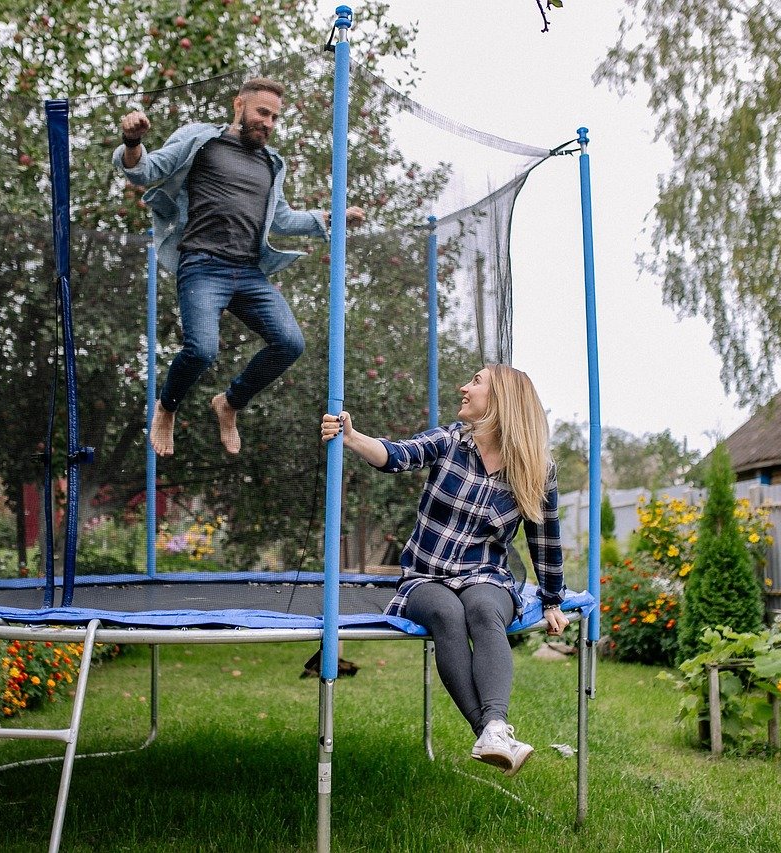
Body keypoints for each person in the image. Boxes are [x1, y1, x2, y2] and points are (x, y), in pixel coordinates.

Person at [320, 365, 568, 777]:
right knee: (446, 614)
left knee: (483, 611)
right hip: (424, 576)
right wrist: (353, 437)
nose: (464, 388)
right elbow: (397, 455)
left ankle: (493, 727)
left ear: (502, 399)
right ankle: (491, 730)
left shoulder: (536, 468)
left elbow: (546, 540)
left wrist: (552, 599)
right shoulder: (450, 440)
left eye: (476, 382)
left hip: (485, 575)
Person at [115, 77, 365, 457]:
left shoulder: (270, 163)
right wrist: (133, 142)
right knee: (201, 351)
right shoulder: (202, 141)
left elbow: (281, 219)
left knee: (290, 343)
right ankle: (166, 407)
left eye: (275, 117)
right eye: (262, 112)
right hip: (202, 265)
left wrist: (332, 219)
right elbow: (143, 171)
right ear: (239, 106)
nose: (268, 122)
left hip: (248, 273)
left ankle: (230, 403)